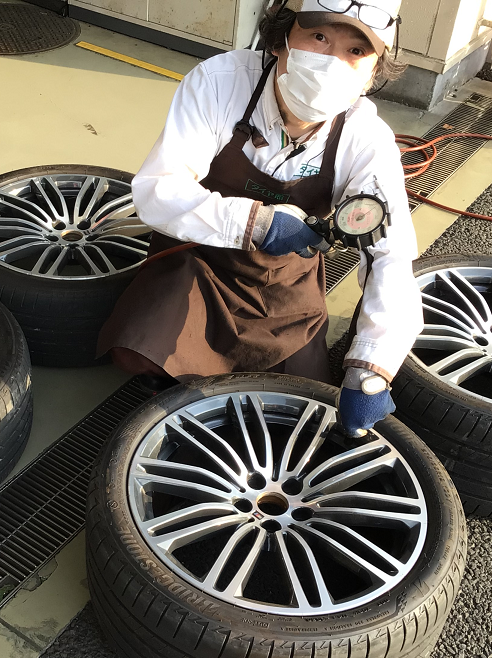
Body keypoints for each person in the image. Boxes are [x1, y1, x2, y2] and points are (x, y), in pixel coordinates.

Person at [97, 0, 423, 436]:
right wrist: (256, 223)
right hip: (200, 255)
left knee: (299, 399)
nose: (332, 62)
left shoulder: (367, 138)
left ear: (372, 72)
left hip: (283, 281)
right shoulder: (220, 82)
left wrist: (373, 366)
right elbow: (158, 190)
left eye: (356, 51)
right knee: (136, 351)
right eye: (319, 37)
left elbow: (390, 255)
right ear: (280, 38)